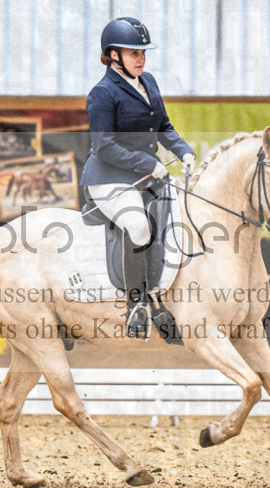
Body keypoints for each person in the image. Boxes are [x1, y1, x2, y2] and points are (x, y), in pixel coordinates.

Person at [80, 17, 196, 340]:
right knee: (140, 226)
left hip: (146, 173)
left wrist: (183, 150)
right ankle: (136, 306)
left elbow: (164, 127)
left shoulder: (150, 82)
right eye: (133, 53)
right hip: (109, 178)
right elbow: (103, 146)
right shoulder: (101, 94)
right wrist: (147, 163)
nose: (141, 58)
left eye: (143, 52)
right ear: (113, 55)